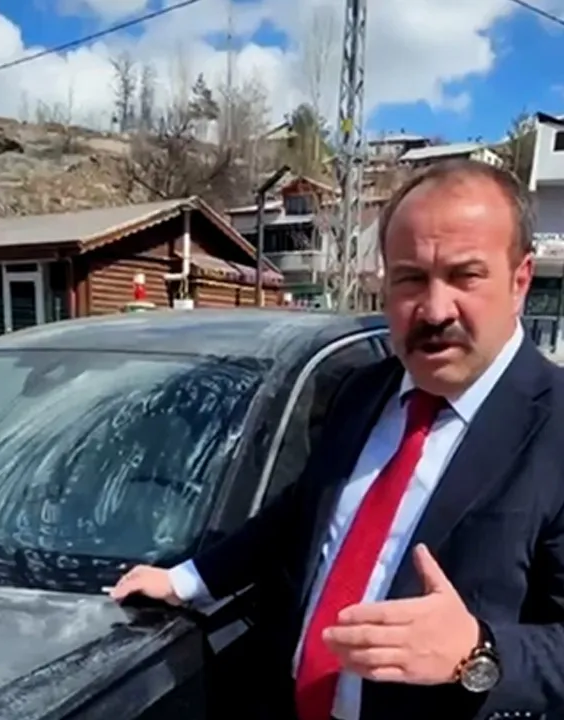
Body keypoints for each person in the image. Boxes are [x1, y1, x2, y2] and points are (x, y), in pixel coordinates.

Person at [110, 158, 564, 720]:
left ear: (520, 280)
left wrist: (479, 651)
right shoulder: (361, 390)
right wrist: (188, 579)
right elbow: (303, 509)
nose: (435, 309)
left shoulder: (555, 430)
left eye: (465, 276)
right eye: (411, 278)